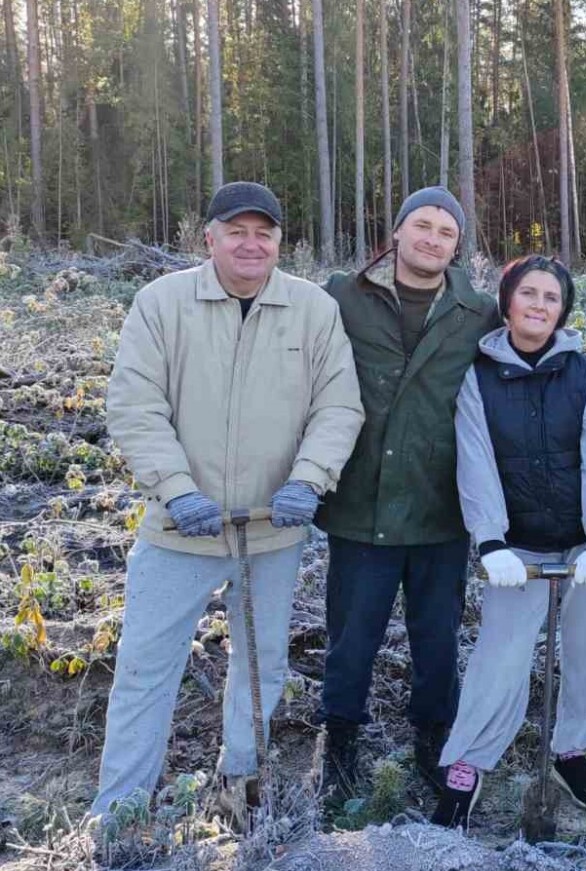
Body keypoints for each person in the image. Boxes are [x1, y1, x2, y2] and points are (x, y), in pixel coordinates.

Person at [92, 181, 363, 817]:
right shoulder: (161, 303)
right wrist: (178, 492)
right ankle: (119, 812)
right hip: (177, 531)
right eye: (235, 232)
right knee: (145, 667)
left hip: (272, 529)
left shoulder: (312, 310)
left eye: (263, 233)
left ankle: (241, 789)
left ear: (278, 243)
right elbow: (135, 405)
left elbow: (338, 405)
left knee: (262, 665)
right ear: (207, 238)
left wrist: (309, 479)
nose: (250, 244)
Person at [431, 255, 586, 829]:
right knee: (501, 653)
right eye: (529, 294)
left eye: (551, 297)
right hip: (517, 540)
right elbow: (475, 462)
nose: (540, 305)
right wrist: (491, 541)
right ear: (508, 302)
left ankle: (572, 751)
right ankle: (467, 765)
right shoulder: (478, 377)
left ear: (562, 310)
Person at [316, 187, 501, 795]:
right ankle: (339, 741)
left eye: (446, 233)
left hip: (439, 503)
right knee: (350, 635)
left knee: (437, 637)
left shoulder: (478, 312)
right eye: (421, 225)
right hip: (359, 501)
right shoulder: (343, 295)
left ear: (457, 247)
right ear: (395, 232)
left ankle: (433, 739)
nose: (432, 239)